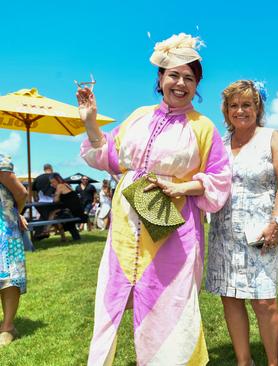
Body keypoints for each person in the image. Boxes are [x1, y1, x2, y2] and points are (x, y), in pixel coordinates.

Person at [77, 33, 231, 365]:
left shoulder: (204, 128)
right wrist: (90, 122)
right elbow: (108, 156)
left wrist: (183, 188)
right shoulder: (138, 116)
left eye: (189, 78)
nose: (180, 83)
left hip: (173, 233)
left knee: (169, 304)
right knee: (110, 299)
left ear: (196, 85)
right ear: (160, 78)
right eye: (173, 74)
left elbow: (220, 178)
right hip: (124, 230)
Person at [206, 80, 278, 366]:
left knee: (264, 301)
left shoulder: (272, 137)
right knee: (230, 298)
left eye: (247, 104)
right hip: (223, 233)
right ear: (226, 110)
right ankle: (244, 362)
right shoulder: (219, 144)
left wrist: (277, 220)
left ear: (257, 107)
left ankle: (275, 362)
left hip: (261, 233)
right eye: (234, 105)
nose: (240, 110)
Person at [0, 154, 28, 346]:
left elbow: (21, 193)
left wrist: (15, 213)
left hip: (4, 227)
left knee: (9, 276)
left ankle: (8, 327)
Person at [49, 173, 83, 241]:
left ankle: (45, 231)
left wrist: (55, 194)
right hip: (76, 209)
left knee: (55, 215)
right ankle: (74, 237)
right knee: (59, 215)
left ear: (58, 180)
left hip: (72, 210)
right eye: (51, 183)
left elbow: (55, 200)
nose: (52, 184)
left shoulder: (60, 186)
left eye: (53, 182)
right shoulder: (67, 185)